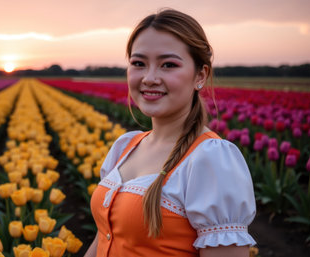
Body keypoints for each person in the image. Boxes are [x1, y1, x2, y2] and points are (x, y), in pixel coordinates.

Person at [84, 8, 256, 257]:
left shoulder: (210, 159)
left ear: (200, 75)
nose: (150, 78)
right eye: (139, 63)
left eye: (168, 65)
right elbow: (104, 237)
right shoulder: (126, 146)